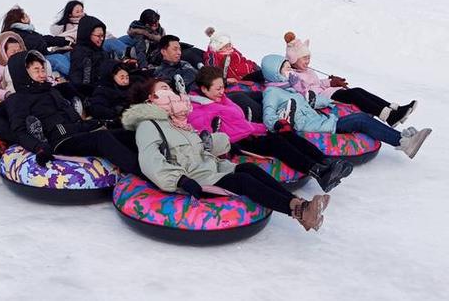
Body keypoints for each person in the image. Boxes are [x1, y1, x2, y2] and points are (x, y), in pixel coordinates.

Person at [122, 78, 331, 232]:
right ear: (151, 98)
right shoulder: (148, 126)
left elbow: (204, 150)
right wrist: (181, 180)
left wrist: (209, 140)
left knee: (249, 168)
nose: (171, 92)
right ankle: (299, 210)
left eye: (170, 88)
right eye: (164, 89)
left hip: (210, 170)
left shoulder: (178, 122)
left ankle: (299, 205)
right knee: (242, 180)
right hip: (194, 181)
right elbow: (151, 161)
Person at [188, 66, 352, 192]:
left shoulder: (222, 99)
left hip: (249, 134)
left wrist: (270, 126)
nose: (222, 91)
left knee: (286, 134)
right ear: (204, 89)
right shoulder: (198, 111)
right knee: (276, 143)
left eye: (223, 87)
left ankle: (326, 162)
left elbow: (242, 123)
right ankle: (319, 172)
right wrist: (229, 143)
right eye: (218, 89)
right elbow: (206, 139)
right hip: (236, 144)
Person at [261, 54, 433, 160]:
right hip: (311, 126)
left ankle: (401, 136)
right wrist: (279, 124)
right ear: (274, 72)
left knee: (359, 109)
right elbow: (268, 116)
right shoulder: (272, 92)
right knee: (361, 120)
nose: (290, 70)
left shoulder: (289, 88)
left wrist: (327, 102)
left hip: (320, 119)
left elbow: (308, 100)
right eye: (285, 68)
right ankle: (403, 142)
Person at [4, 50, 140, 174]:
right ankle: (143, 173)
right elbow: (20, 131)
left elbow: (74, 118)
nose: (42, 74)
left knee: (126, 133)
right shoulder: (18, 99)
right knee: (102, 139)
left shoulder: (50, 90)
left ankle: (151, 164)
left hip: (77, 131)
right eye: (36, 70)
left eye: (42, 70)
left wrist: (101, 123)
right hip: (60, 141)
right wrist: (39, 147)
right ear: (23, 73)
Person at [284, 32, 416, 127]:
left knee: (359, 90)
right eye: (304, 58)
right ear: (294, 59)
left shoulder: (307, 71)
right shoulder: (294, 76)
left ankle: (394, 110)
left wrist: (330, 82)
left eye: (308, 57)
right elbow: (305, 91)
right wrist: (326, 86)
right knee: (354, 95)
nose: (308, 61)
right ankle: (389, 116)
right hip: (323, 97)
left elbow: (317, 83)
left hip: (328, 91)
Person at [155, 35, 263, 121]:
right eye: (175, 49)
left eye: (179, 49)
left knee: (258, 95)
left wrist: (225, 81)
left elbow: (205, 77)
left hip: (213, 90)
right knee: (240, 98)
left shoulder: (185, 63)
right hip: (201, 99)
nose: (179, 52)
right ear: (163, 51)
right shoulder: (162, 73)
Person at [1, 5, 72, 77]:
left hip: (44, 55)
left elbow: (45, 39)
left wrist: (65, 41)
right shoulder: (16, 34)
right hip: (35, 60)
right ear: (22, 19)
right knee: (57, 59)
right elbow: (35, 46)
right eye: (26, 15)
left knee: (68, 55)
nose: (28, 16)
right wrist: (45, 45)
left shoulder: (28, 31)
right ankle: (77, 78)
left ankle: (70, 79)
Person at [50, 0, 127, 58]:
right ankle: (129, 54)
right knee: (111, 43)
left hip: (102, 41)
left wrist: (113, 38)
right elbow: (67, 38)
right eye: (77, 12)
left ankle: (131, 52)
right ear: (70, 14)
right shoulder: (68, 27)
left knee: (127, 38)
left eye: (82, 11)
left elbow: (103, 32)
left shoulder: (88, 21)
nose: (81, 13)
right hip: (90, 48)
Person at [69, 15, 115, 88]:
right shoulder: (80, 53)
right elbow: (80, 81)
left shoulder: (102, 52)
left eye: (103, 36)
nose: (102, 39)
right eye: (98, 36)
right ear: (87, 34)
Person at [87, 61, 132, 127]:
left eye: (127, 77)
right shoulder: (102, 90)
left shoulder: (132, 88)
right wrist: (116, 112)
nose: (125, 81)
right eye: (122, 78)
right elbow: (97, 109)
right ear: (112, 77)